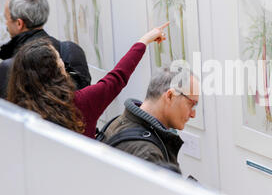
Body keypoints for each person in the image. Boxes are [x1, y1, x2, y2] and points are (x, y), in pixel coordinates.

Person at [6, 22, 169, 138]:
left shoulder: (15, 115)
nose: (63, 61)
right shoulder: (80, 104)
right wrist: (144, 40)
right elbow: (117, 77)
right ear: (54, 72)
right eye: (58, 59)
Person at [99, 68, 199, 173]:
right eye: (191, 104)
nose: (193, 114)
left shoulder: (118, 122)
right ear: (170, 96)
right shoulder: (148, 155)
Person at [0, 0, 91, 98]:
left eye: (6, 19)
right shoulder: (73, 51)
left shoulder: (10, 67)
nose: (6, 24)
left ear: (19, 23)